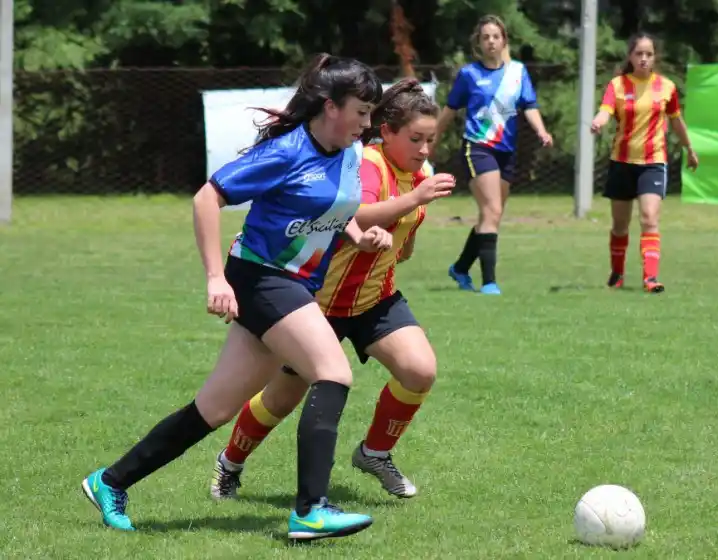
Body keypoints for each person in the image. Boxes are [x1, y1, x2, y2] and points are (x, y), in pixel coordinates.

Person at [80, 53, 394, 542]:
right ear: (330, 106)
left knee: (215, 408)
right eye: (360, 110)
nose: (366, 122)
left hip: (290, 283)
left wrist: (358, 236)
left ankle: (110, 481)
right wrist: (214, 279)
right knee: (332, 372)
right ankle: (311, 510)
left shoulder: (349, 153)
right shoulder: (287, 152)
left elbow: (335, 209)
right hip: (261, 278)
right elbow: (208, 197)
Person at [209, 78, 455, 503]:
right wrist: (414, 200)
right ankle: (229, 464)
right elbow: (359, 212)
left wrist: (407, 233)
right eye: (415, 139)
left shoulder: (421, 175)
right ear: (387, 133)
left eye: (431, 140)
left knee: (420, 370)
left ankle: (375, 453)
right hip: (317, 302)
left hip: (374, 298)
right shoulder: (367, 165)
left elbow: (404, 233)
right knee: (282, 399)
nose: (424, 150)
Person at [435, 14, 553, 295]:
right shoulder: (469, 74)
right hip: (477, 147)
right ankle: (489, 282)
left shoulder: (517, 72)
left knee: (491, 216)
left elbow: (530, 105)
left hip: (505, 152)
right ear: (479, 42)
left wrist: (542, 131)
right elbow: (449, 112)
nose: (491, 41)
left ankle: (461, 268)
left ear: (504, 41)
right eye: (485, 37)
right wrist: (431, 142)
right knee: (492, 210)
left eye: (495, 36)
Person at [590, 33, 699, 293]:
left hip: (653, 162)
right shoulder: (617, 85)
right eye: (639, 53)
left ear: (655, 57)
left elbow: (675, 120)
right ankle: (617, 273)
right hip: (622, 162)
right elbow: (605, 110)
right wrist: (598, 121)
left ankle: (650, 278)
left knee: (649, 218)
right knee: (620, 225)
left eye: (649, 54)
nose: (644, 58)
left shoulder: (666, 87)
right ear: (630, 56)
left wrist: (690, 149)